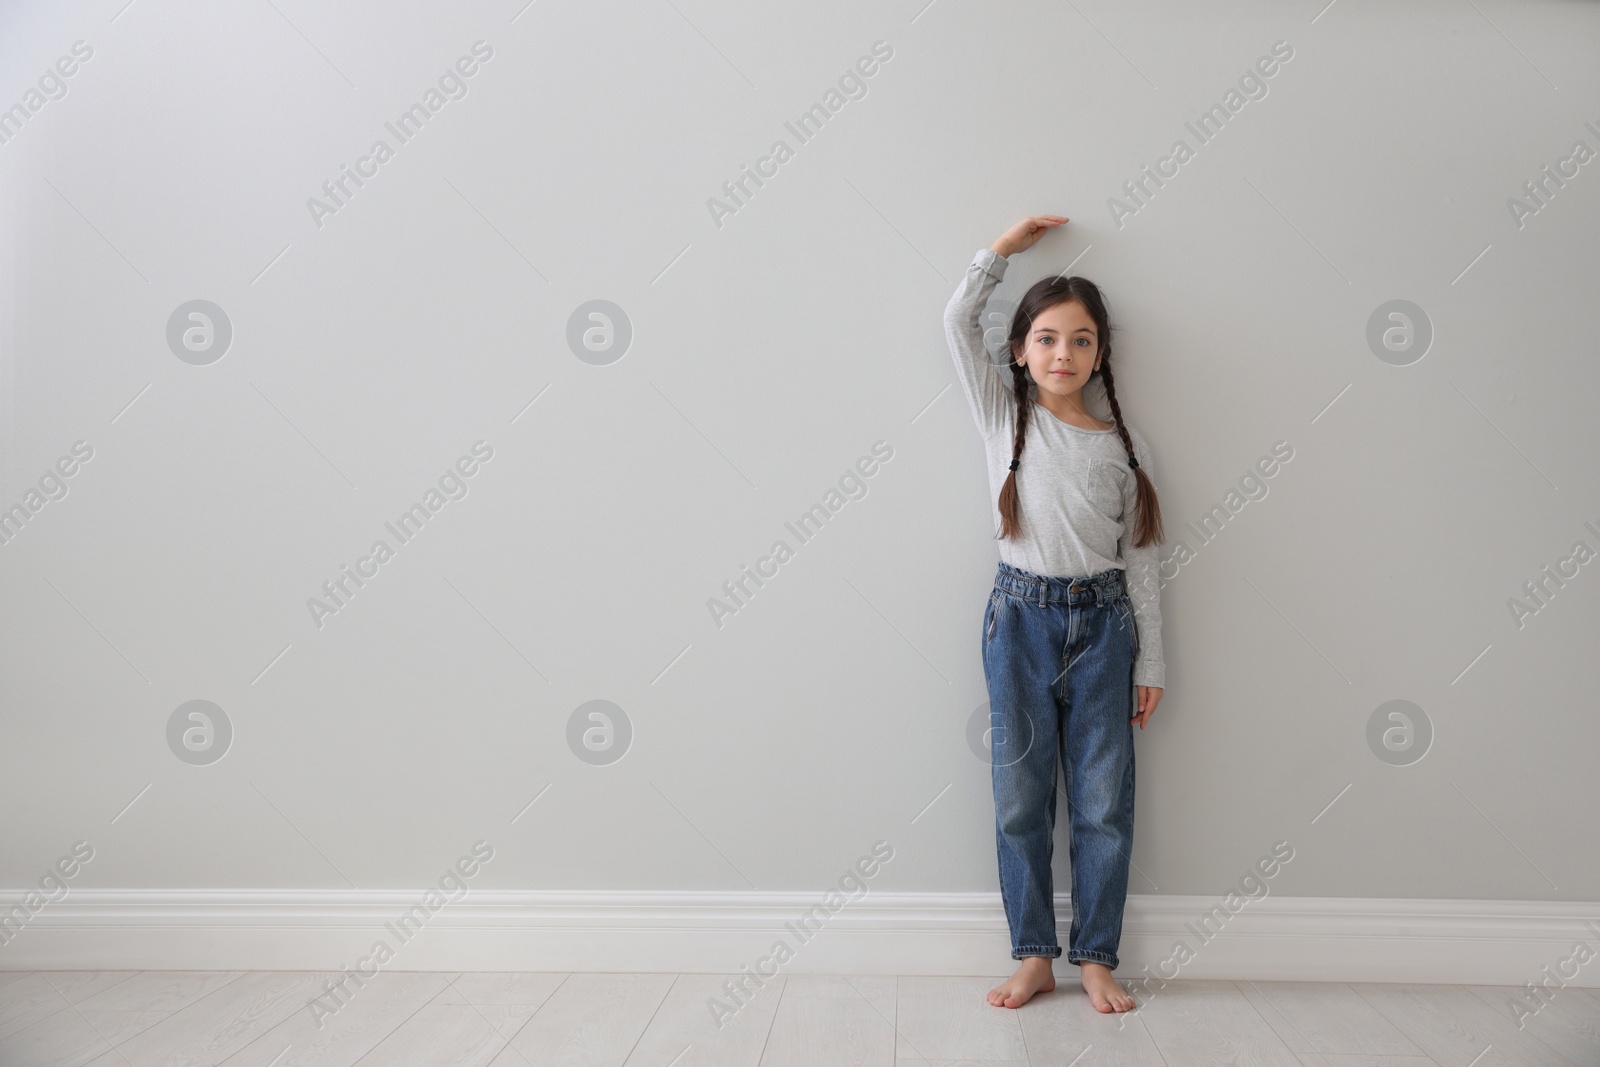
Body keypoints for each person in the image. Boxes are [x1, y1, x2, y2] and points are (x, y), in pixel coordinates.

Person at [944, 215, 1167, 1013]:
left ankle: (1096, 957)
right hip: (1021, 624)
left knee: (1105, 801)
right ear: (1020, 352)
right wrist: (1000, 252)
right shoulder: (1007, 420)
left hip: (1105, 628)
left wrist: (1153, 663)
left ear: (1099, 353)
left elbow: (1142, 559)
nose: (1061, 354)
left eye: (1079, 340)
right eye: (1045, 338)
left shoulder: (1124, 445)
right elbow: (954, 320)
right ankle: (1034, 953)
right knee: (1020, 796)